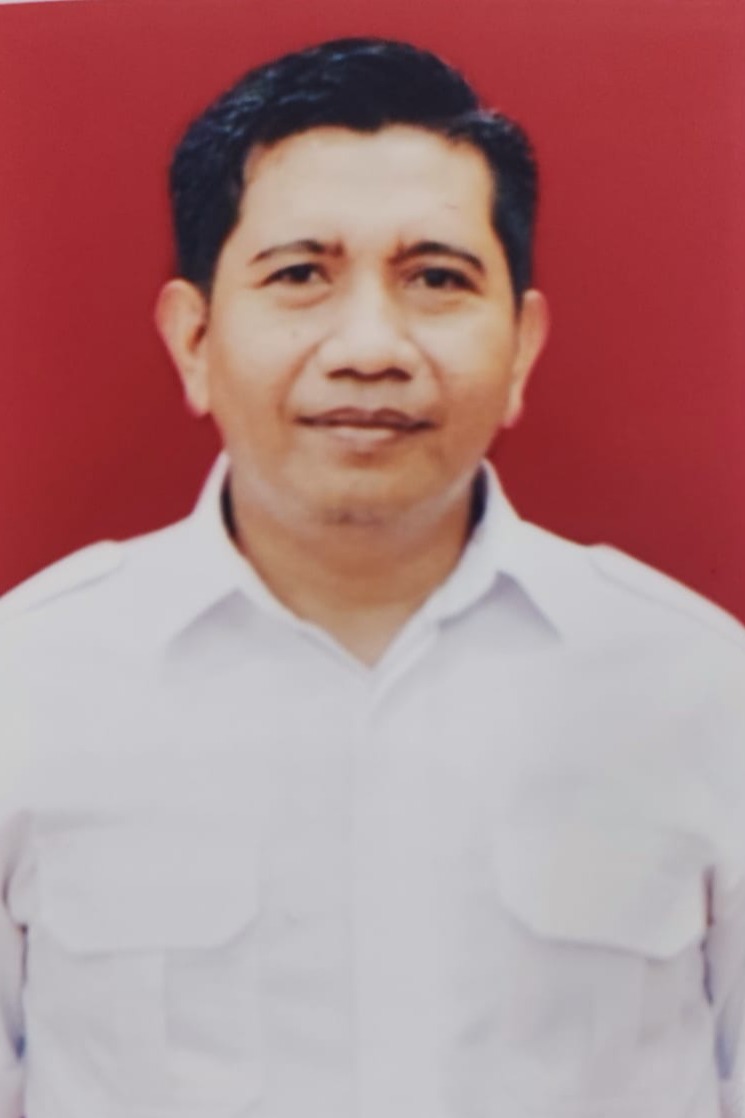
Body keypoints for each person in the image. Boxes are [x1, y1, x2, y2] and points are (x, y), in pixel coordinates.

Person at [1, 35, 744, 1118]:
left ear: (521, 346)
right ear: (195, 338)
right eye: (300, 275)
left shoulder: (702, 687)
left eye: (435, 279)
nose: (369, 346)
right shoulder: (29, 682)